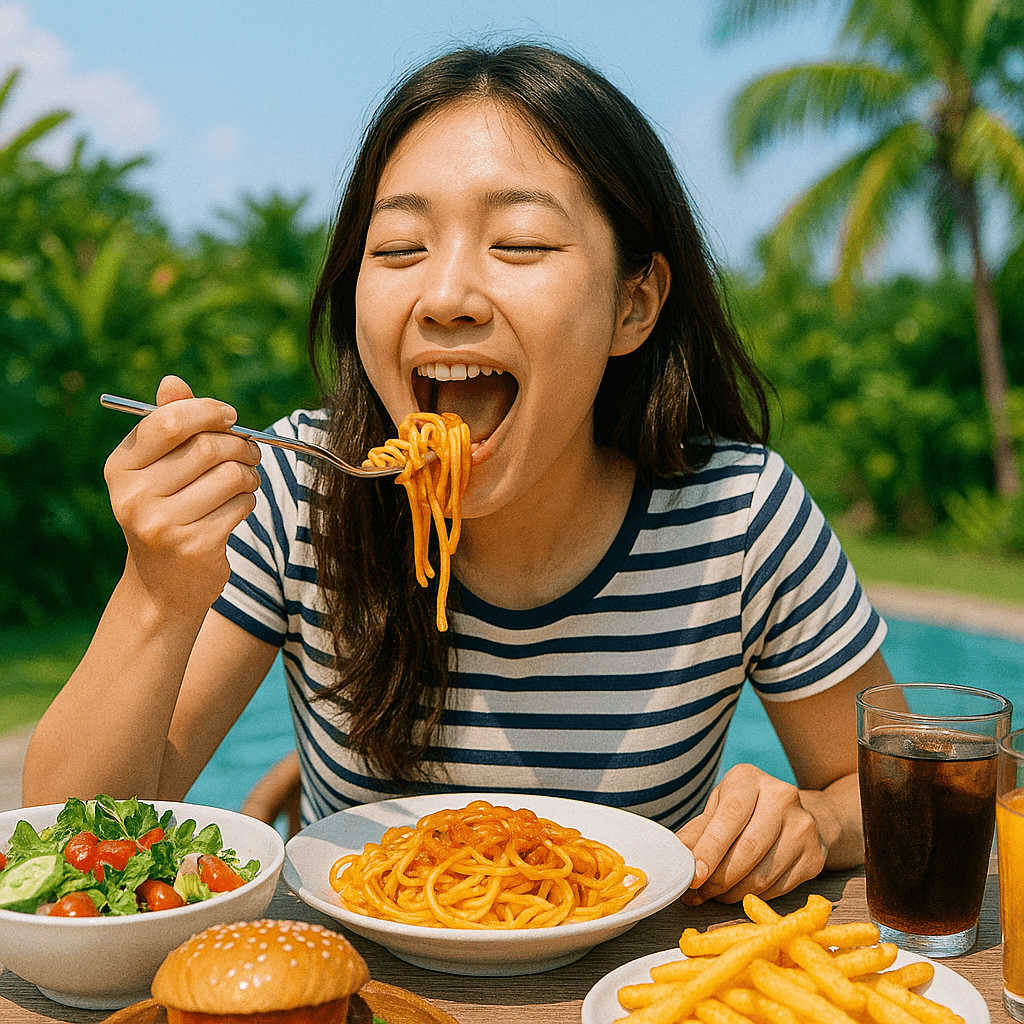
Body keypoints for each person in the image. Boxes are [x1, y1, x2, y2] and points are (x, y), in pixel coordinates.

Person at [23, 43, 894, 905]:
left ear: (634, 304)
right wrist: (156, 592)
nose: (447, 295)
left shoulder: (738, 518)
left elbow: (919, 780)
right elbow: (75, 835)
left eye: (517, 242)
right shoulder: (297, 494)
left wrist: (820, 822)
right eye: (399, 247)